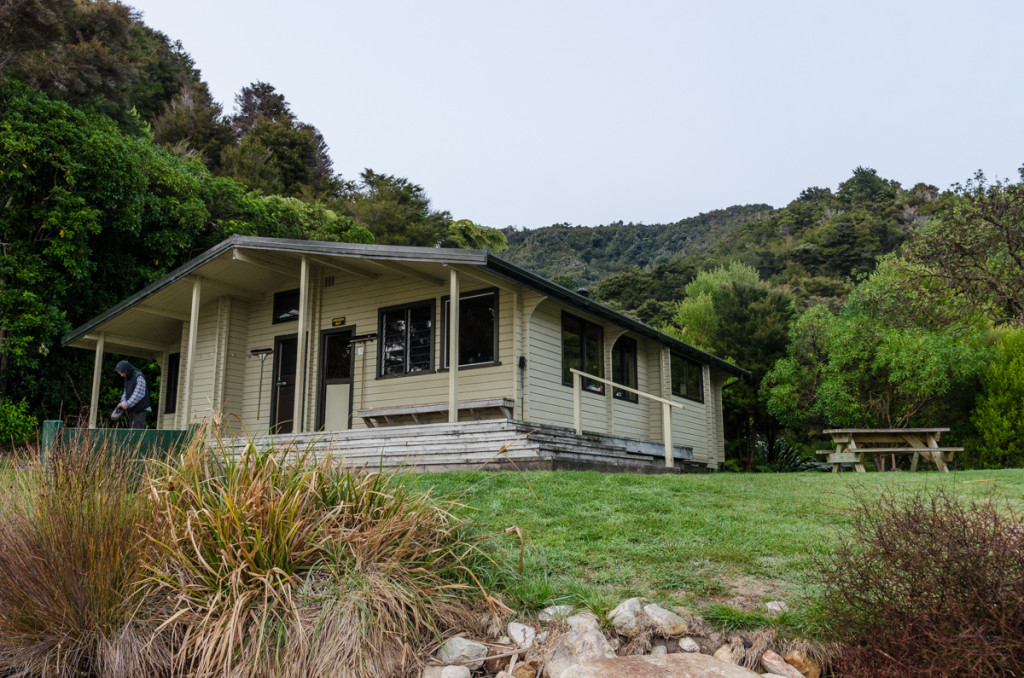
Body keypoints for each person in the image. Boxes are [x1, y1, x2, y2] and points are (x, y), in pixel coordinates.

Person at [115, 360, 151, 429]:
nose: (121, 375)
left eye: (122, 373)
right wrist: (122, 401)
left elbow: (139, 394)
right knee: (131, 433)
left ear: (126, 370)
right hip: (133, 410)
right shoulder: (127, 378)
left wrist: (127, 404)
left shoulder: (139, 376)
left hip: (141, 410)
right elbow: (125, 392)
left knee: (136, 434)